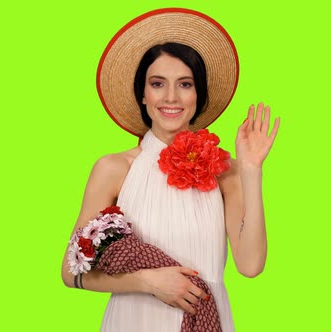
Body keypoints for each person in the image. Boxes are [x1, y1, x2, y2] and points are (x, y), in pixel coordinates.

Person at [61, 8, 279, 331]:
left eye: (185, 84)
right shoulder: (113, 169)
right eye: (158, 83)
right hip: (133, 320)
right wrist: (149, 282)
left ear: (198, 94)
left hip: (208, 318)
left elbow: (250, 264)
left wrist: (251, 168)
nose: (171, 97)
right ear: (143, 95)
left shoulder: (224, 171)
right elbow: (71, 272)